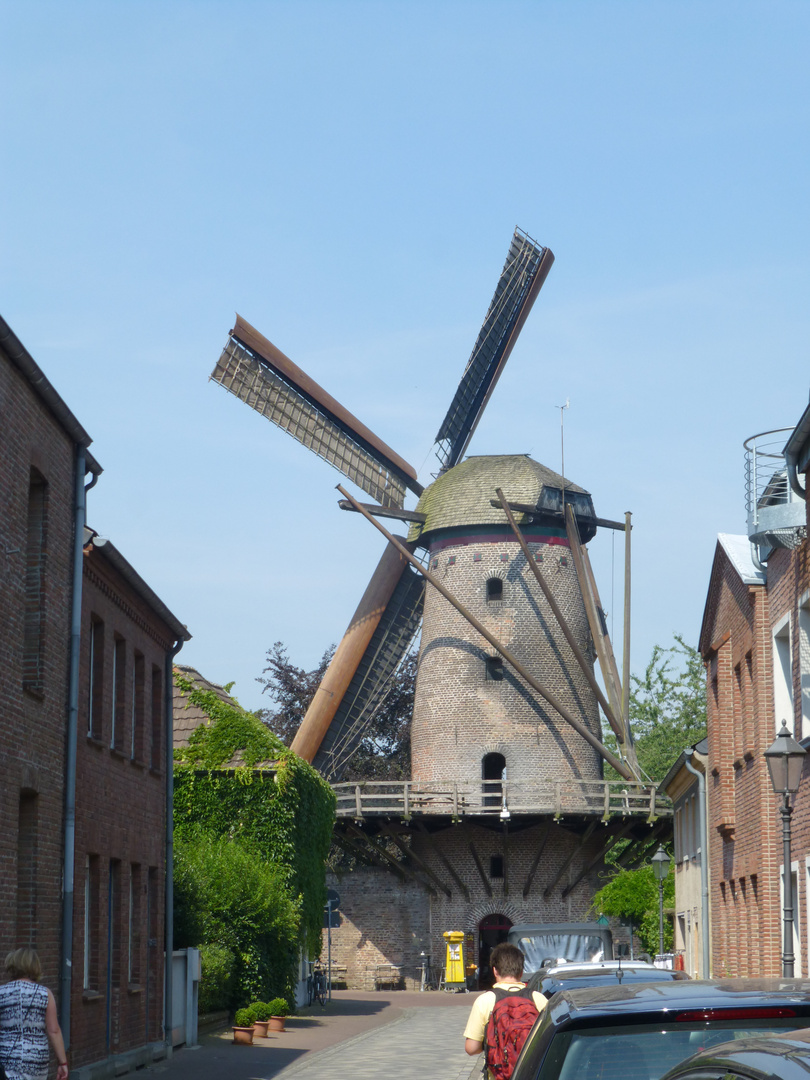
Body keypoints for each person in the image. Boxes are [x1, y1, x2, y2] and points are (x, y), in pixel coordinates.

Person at [464, 942, 546, 1068]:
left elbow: (471, 1048)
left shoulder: (485, 1001)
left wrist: (492, 1042)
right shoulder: (538, 999)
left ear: (495, 971)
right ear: (521, 972)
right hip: (531, 1072)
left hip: (499, 1074)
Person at [0, 948, 68, 1080]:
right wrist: (62, 1062)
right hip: (36, 1061)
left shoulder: (2, 992)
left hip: (7, 1060)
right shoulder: (45, 994)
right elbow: (54, 1031)